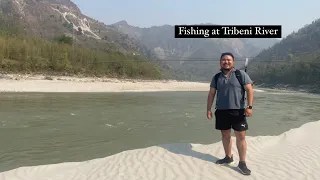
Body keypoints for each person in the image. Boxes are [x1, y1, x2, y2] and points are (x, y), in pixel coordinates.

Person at [206, 52, 254, 175]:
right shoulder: (216, 77)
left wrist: (249, 107)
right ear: (220, 62)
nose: (226, 62)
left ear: (233, 62)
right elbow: (211, 94)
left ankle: (242, 163)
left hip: (238, 111)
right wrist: (208, 109)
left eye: (228, 60)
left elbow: (249, 90)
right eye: (223, 60)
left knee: (241, 137)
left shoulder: (240, 74)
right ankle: (228, 157)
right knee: (225, 135)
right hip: (221, 111)